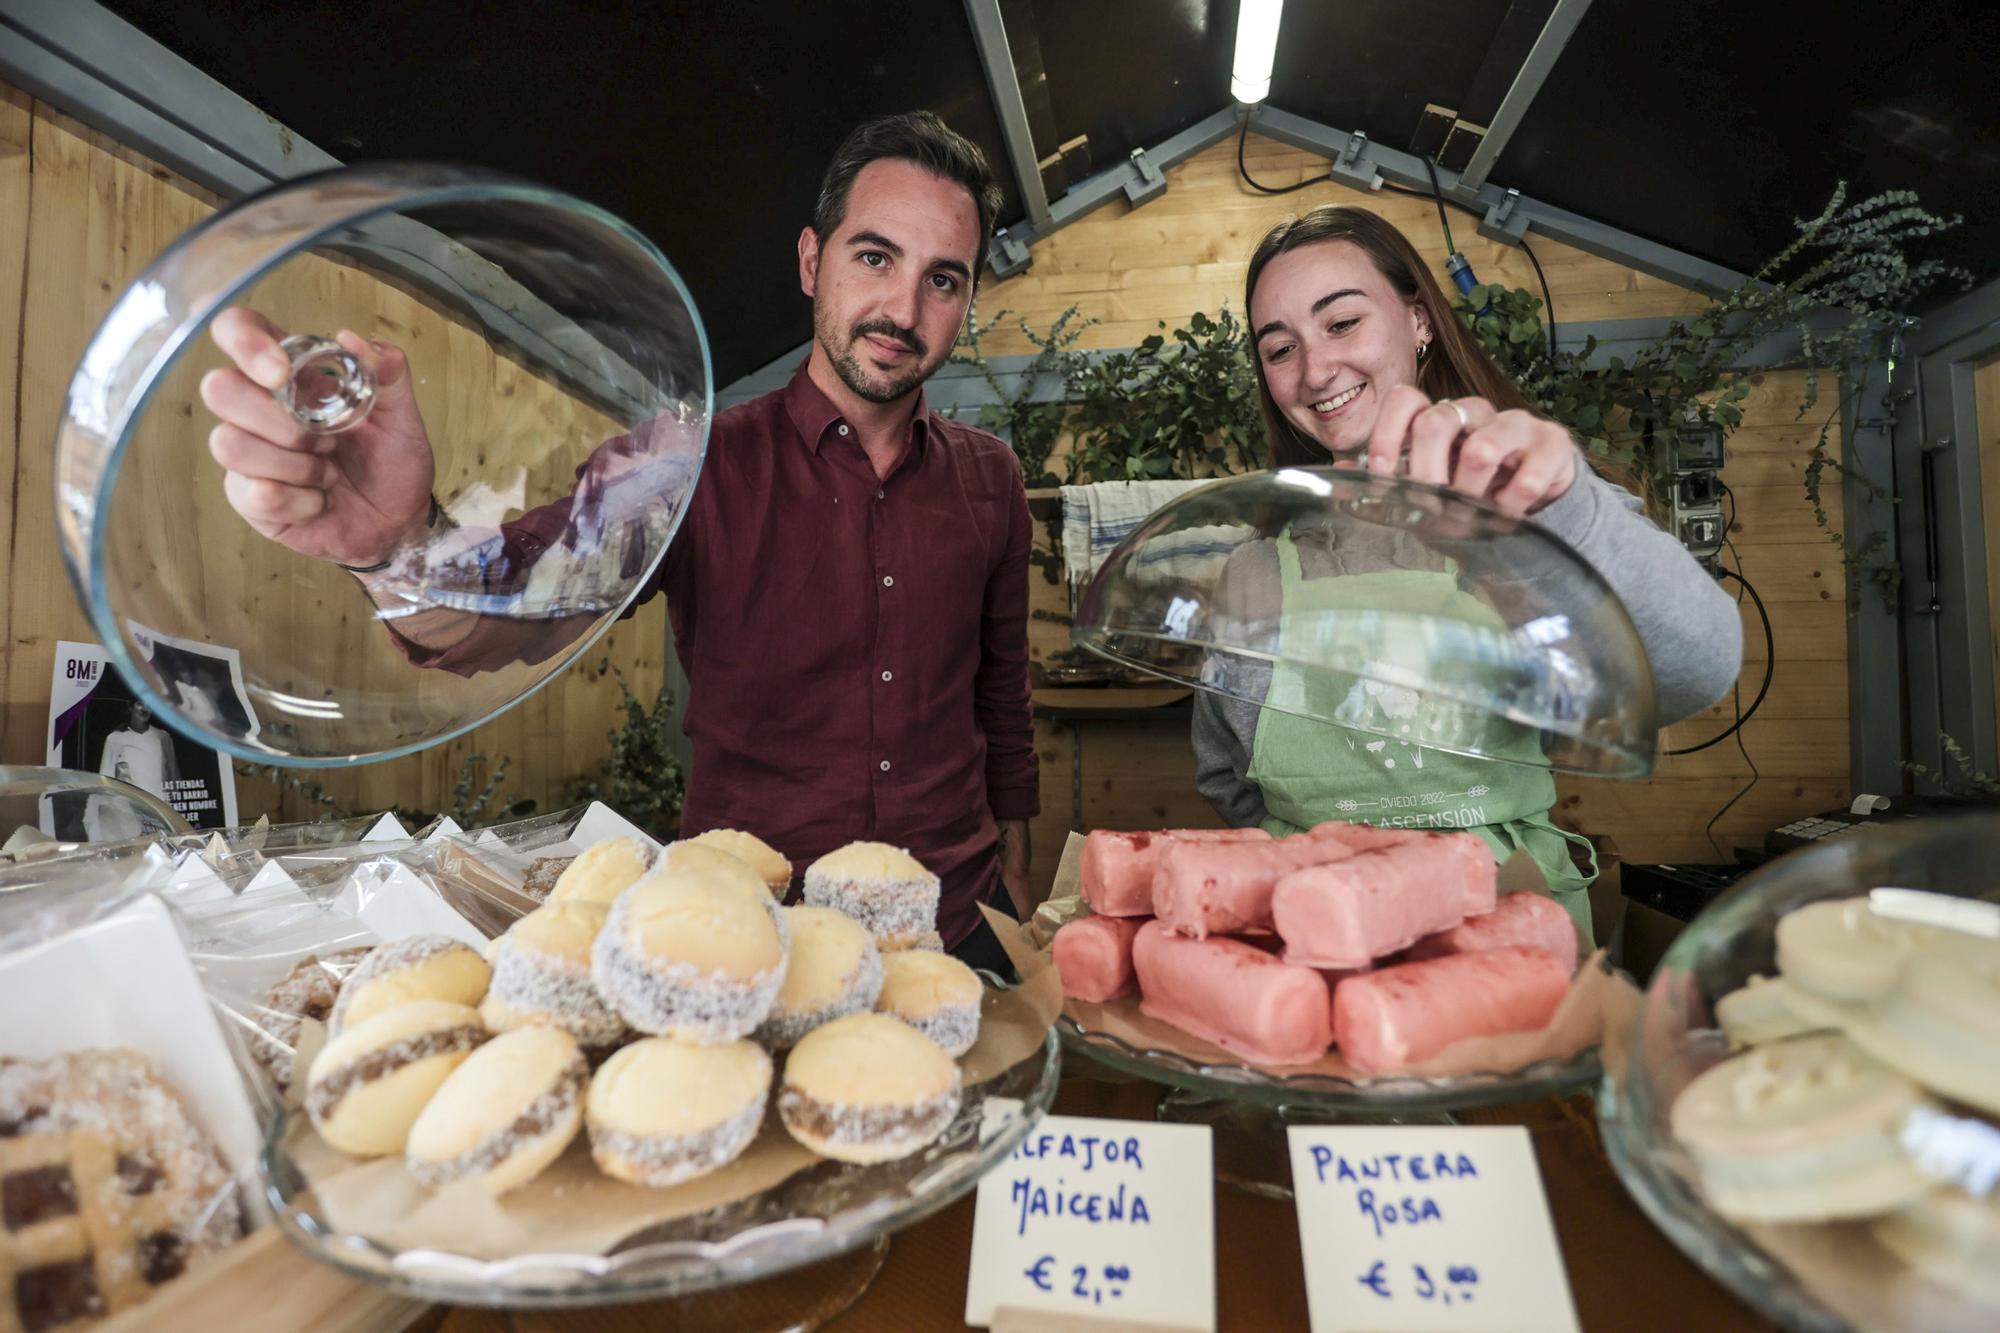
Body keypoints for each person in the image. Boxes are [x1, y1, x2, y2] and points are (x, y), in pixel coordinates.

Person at [196, 112, 1038, 970]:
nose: (903, 308)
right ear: (812, 261)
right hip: (748, 939)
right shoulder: (690, 461)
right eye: (874, 256)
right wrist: (394, 545)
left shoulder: (993, 480)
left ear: (968, 298)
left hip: (960, 923)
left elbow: (1001, 700)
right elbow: (511, 610)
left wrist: (1016, 870)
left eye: (943, 279)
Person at [1192, 206, 1744, 935]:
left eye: (1342, 322)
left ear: (1419, 320)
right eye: (1279, 347)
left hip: (1510, 932)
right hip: (1321, 940)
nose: (1316, 369)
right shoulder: (1255, 569)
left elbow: (1697, 669)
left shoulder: (1532, 498)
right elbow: (1226, 776)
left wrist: (1563, 510)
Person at [85, 701, 180, 841]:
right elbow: (106, 777)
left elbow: (173, 775)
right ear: (130, 708)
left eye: (149, 703)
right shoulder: (115, 739)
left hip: (160, 809)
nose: (145, 708)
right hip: (129, 811)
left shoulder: (162, 737)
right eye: (140, 703)